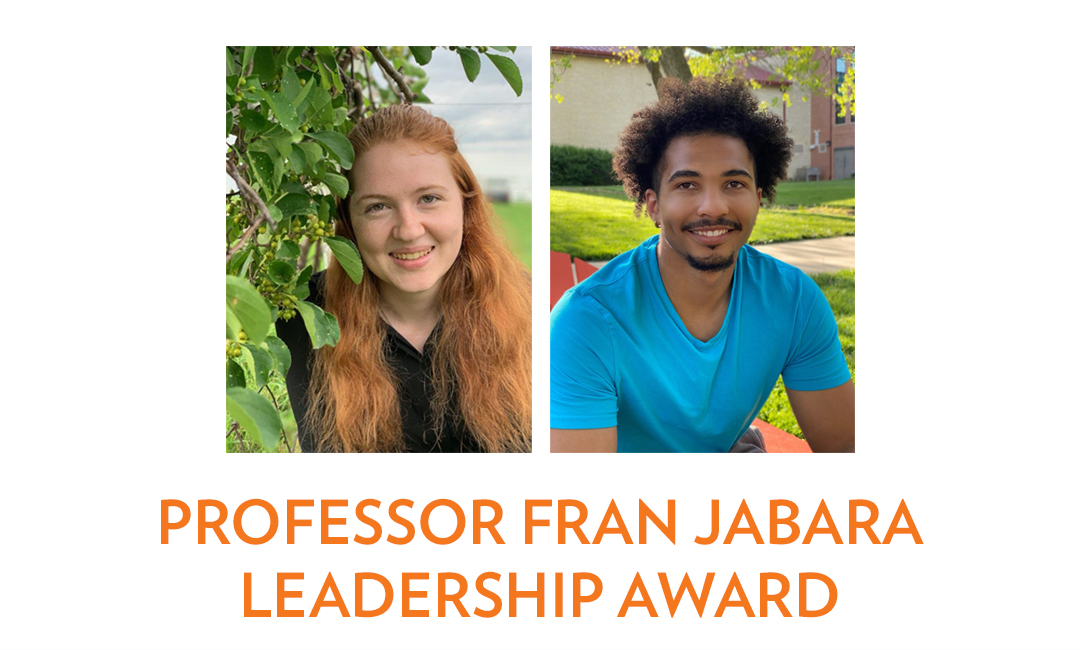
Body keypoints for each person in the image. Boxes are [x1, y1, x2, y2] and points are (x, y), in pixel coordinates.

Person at [550, 77, 854, 453]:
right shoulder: (587, 321)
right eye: (687, 185)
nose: (713, 206)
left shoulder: (794, 301)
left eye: (734, 184)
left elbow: (846, 448)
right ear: (654, 205)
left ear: (758, 198)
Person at [279, 105, 531, 453]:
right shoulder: (299, 317)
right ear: (349, 223)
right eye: (377, 207)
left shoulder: (533, 309)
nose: (409, 230)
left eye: (429, 198)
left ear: (465, 203)